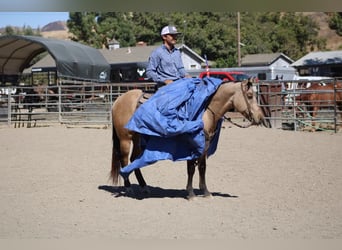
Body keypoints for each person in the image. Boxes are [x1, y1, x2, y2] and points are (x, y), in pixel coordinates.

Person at [146, 25, 191, 90]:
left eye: (176, 35)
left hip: (179, 84)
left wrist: (186, 75)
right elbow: (149, 72)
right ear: (164, 37)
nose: (175, 38)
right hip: (164, 87)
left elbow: (180, 68)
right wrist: (165, 80)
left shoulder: (177, 52)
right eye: (172, 35)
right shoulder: (157, 53)